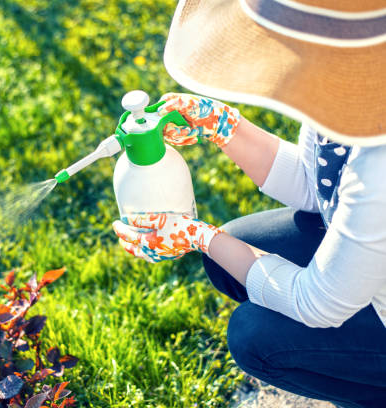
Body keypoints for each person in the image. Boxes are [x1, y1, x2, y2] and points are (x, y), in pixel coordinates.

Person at [112, 1, 386, 407]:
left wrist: (199, 236)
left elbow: (317, 303)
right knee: (236, 251)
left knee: (254, 336)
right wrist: (225, 127)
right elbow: (320, 185)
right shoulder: (351, 90)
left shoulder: (380, 162)